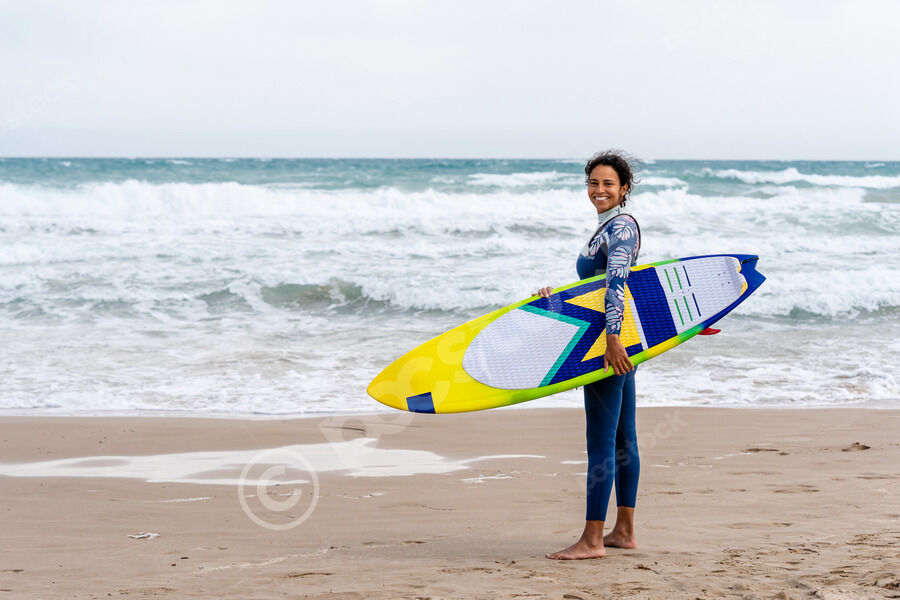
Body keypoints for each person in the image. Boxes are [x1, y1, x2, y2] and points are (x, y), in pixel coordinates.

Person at [541, 150, 642, 560]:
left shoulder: (622, 227)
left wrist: (612, 340)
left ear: (624, 188)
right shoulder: (609, 227)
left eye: (608, 184)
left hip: (606, 345)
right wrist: (556, 299)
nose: (599, 190)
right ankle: (624, 531)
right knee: (622, 438)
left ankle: (592, 540)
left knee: (601, 440)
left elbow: (617, 284)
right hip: (617, 340)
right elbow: (596, 289)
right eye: (594, 183)